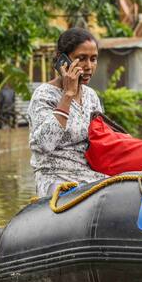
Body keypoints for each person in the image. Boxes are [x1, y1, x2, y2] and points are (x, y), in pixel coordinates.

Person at [27, 27, 106, 197]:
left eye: (93, 59)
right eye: (81, 59)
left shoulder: (91, 97)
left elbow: (100, 141)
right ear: (63, 61)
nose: (89, 66)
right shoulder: (43, 95)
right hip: (55, 178)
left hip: (89, 174)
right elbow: (44, 144)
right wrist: (68, 95)